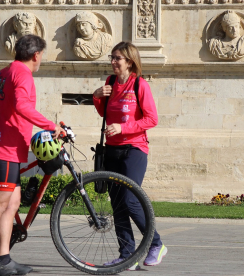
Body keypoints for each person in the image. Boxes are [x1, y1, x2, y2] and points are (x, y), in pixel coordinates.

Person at [0, 34, 62, 276]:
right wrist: (50, 125)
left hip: (8, 147)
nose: (41, 59)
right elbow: (23, 106)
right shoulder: (22, 75)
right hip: (4, 148)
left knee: (12, 203)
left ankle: (3, 257)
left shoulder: (4, 73)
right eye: (42, 56)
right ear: (36, 55)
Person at [93, 41, 167, 270]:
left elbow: (151, 119)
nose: (113, 62)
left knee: (130, 199)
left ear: (130, 61)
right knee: (117, 204)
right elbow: (104, 112)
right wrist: (96, 96)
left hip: (134, 149)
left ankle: (156, 244)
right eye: (112, 57)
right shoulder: (110, 82)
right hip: (112, 149)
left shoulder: (140, 85)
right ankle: (127, 255)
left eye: (117, 58)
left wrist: (123, 128)